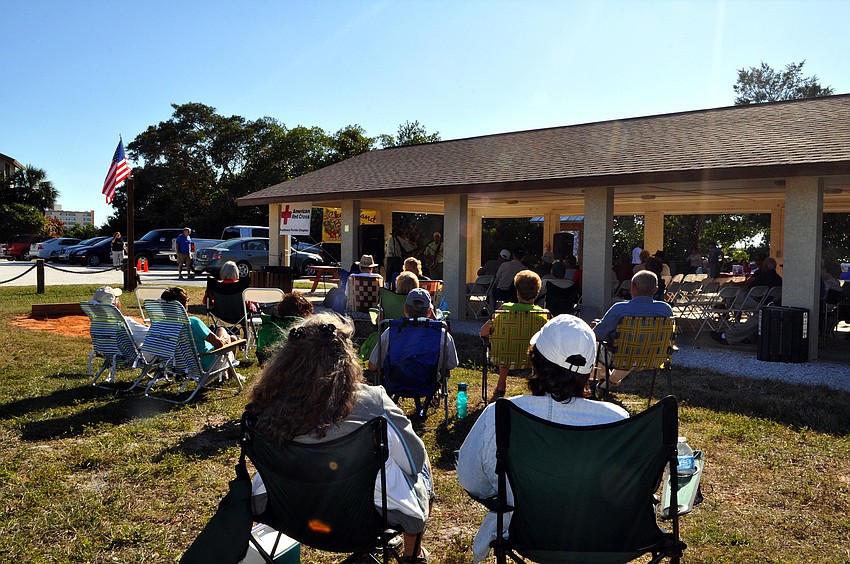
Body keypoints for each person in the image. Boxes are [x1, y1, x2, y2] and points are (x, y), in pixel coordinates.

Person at [248, 313, 433, 563]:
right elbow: (414, 460)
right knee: (420, 463)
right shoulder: (373, 402)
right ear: (346, 358)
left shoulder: (264, 407)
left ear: (286, 360)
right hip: (364, 522)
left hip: (290, 515)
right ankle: (413, 554)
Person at [458, 314, 629, 564]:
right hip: (599, 537)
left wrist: (502, 494)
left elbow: (470, 478)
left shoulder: (502, 413)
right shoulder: (618, 420)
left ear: (535, 361)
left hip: (524, 533)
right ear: (589, 370)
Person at [593, 270, 673, 387]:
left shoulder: (620, 309)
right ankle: (609, 382)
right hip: (654, 358)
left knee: (595, 345)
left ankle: (604, 381)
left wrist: (595, 326)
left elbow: (597, 335)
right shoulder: (665, 310)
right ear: (655, 290)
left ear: (632, 287)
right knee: (632, 346)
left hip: (622, 358)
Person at [481, 270, 545, 398]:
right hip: (532, 359)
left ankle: (501, 384)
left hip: (505, 355)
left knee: (506, 342)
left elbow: (483, 331)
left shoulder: (504, 310)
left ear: (517, 291)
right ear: (537, 292)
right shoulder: (544, 315)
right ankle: (538, 383)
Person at [369, 288, 458, 373]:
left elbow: (373, 365)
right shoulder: (441, 335)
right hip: (428, 386)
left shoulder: (391, 332)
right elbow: (451, 364)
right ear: (430, 312)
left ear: (405, 310)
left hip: (396, 386)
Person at [160, 286, 241, 380]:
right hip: (206, 363)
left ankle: (227, 375)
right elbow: (218, 344)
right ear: (183, 305)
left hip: (180, 365)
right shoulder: (193, 322)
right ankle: (231, 376)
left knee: (223, 332)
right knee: (228, 336)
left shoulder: (163, 326)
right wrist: (223, 340)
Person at [256, 292, 314, 365]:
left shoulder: (269, 325)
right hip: (295, 368)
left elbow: (261, 352)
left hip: (269, 367)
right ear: (305, 312)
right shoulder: (303, 330)